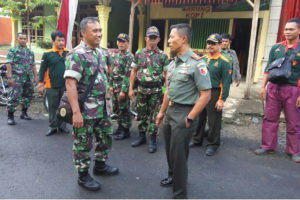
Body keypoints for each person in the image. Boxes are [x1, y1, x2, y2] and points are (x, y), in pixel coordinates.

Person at [155, 23, 211, 199]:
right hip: (170, 111)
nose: (169, 40)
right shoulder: (173, 64)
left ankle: (180, 194)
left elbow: (206, 94)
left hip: (184, 113)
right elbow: (168, 91)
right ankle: (173, 177)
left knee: (179, 155)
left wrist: (190, 118)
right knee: (170, 151)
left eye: (172, 37)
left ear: (184, 38)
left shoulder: (197, 63)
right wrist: (161, 112)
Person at [64, 17, 119, 191]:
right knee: (83, 143)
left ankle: (100, 166)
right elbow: (70, 84)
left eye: (100, 30)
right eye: (94, 31)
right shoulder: (77, 54)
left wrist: (108, 101)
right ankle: (83, 175)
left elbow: (104, 77)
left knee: (105, 136)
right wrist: (76, 112)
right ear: (83, 33)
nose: (99, 34)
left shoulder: (101, 53)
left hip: (101, 107)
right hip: (85, 110)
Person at [254, 18, 300, 163]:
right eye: (286, 29)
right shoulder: (276, 48)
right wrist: (263, 87)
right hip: (274, 88)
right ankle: (267, 146)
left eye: (291, 29)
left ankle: (294, 150)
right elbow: (268, 69)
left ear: (299, 31)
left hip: (293, 89)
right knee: (269, 118)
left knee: (293, 121)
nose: (287, 32)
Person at [129, 26, 169, 153]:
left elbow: (167, 74)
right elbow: (133, 71)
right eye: (150, 38)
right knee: (141, 114)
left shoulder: (163, 56)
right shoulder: (139, 53)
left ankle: (152, 138)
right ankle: (141, 136)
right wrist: (130, 88)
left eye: (154, 38)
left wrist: (167, 90)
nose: (152, 40)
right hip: (141, 90)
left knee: (155, 116)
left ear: (158, 39)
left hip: (156, 92)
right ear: (146, 39)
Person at [190, 33, 232, 156]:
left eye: (213, 43)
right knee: (199, 117)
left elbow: (226, 82)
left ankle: (213, 144)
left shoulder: (224, 62)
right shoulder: (203, 59)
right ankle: (197, 139)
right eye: (209, 43)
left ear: (220, 45)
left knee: (214, 120)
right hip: (201, 92)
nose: (210, 45)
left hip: (214, 92)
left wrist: (222, 100)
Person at [38, 31, 70, 136]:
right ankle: (52, 126)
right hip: (51, 86)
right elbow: (42, 70)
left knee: (64, 107)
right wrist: (41, 84)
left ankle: (62, 126)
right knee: (53, 106)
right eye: (59, 40)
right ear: (53, 41)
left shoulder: (68, 52)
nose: (61, 43)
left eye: (62, 40)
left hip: (65, 85)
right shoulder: (47, 54)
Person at [6, 32, 37, 125]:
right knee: (14, 96)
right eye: (21, 38)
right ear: (17, 39)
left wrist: (35, 77)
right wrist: (10, 77)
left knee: (28, 96)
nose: (23, 40)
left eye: (25, 38)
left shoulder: (30, 52)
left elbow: (33, 65)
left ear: (27, 40)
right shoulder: (13, 50)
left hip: (28, 78)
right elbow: (8, 63)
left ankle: (24, 113)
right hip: (17, 78)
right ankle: (10, 116)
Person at [109, 33, 134, 140]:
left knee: (124, 109)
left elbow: (128, 75)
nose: (121, 43)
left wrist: (124, 91)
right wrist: (110, 85)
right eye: (119, 41)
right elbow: (112, 72)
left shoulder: (130, 57)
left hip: (122, 88)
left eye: (123, 41)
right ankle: (120, 127)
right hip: (114, 87)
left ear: (128, 43)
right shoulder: (116, 55)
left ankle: (125, 130)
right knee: (117, 109)